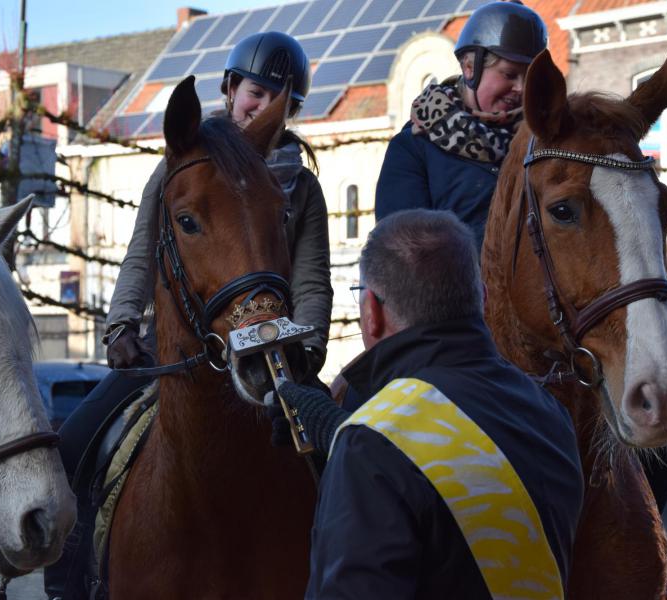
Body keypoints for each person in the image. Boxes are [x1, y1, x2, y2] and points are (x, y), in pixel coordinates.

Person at [44, 31, 333, 599]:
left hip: (273, 351)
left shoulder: (302, 188)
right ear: (230, 88)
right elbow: (139, 255)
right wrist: (122, 324)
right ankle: (69, 584)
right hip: (174, 349)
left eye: (280, 101)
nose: (263, 108)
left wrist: (308, 349)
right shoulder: (176, 168)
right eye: (256, 93)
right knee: (75, 442)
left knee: (340, 455)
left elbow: (311, 281)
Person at [277, 209, 583, 598]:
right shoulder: (548, 411)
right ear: (482, 298)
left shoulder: (375, 444)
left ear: (371, 312)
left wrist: (355, 451)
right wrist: (343, 442)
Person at [374, 0, 547, 250]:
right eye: (509, 74)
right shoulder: (412, 150)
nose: (521, 88)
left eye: (529, 77)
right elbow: (401, 250)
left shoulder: (545, 144)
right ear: (469, 67)